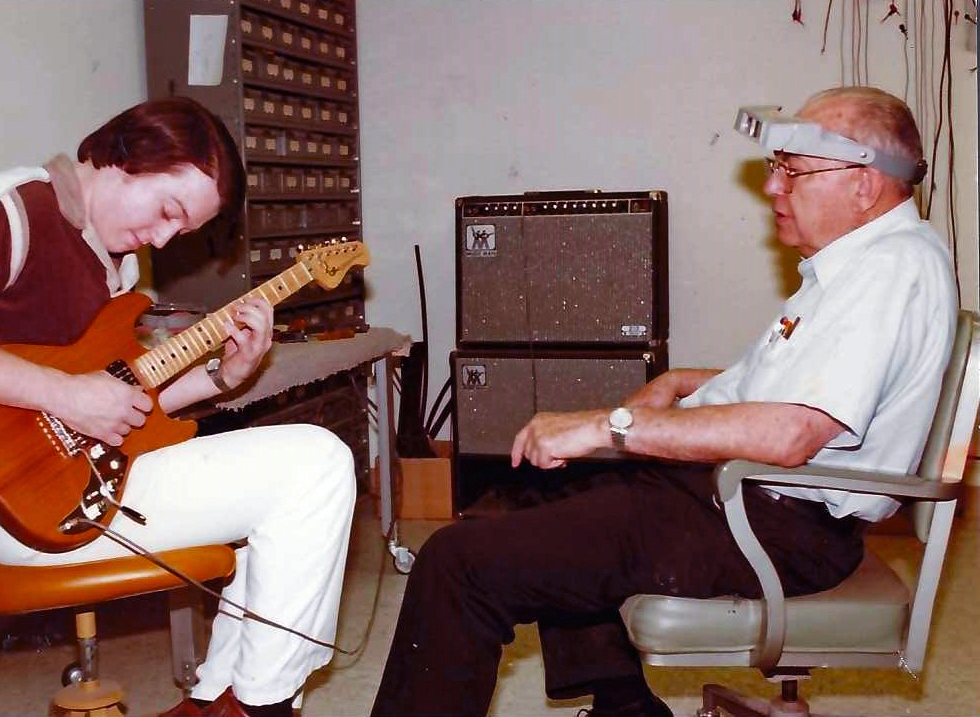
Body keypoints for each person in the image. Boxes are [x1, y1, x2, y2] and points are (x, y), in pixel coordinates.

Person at [371, 86, 958, 717]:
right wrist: (684, 384)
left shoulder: (889, 273)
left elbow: (791, 433)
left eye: (793, 170)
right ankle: (624, 705)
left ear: (865, 184)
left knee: (458, 566)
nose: (773, 189)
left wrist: (611, 426)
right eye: (774, 169)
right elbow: (795, 387)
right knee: (527, 495)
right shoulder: (867, 265)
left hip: (776, 525)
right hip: (753, 497)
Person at [0, 96, 357, 717]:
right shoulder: (15, 208)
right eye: (168, 211)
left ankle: (217, 701)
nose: (166, 237)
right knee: (317, 463)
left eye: (184, 231)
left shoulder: (115, 265)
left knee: (283, 505)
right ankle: (262, 709)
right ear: (130, 155)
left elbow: (120, 402)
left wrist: (220, 377)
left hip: (88, 477)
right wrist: (63, 393)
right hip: (25, 506)